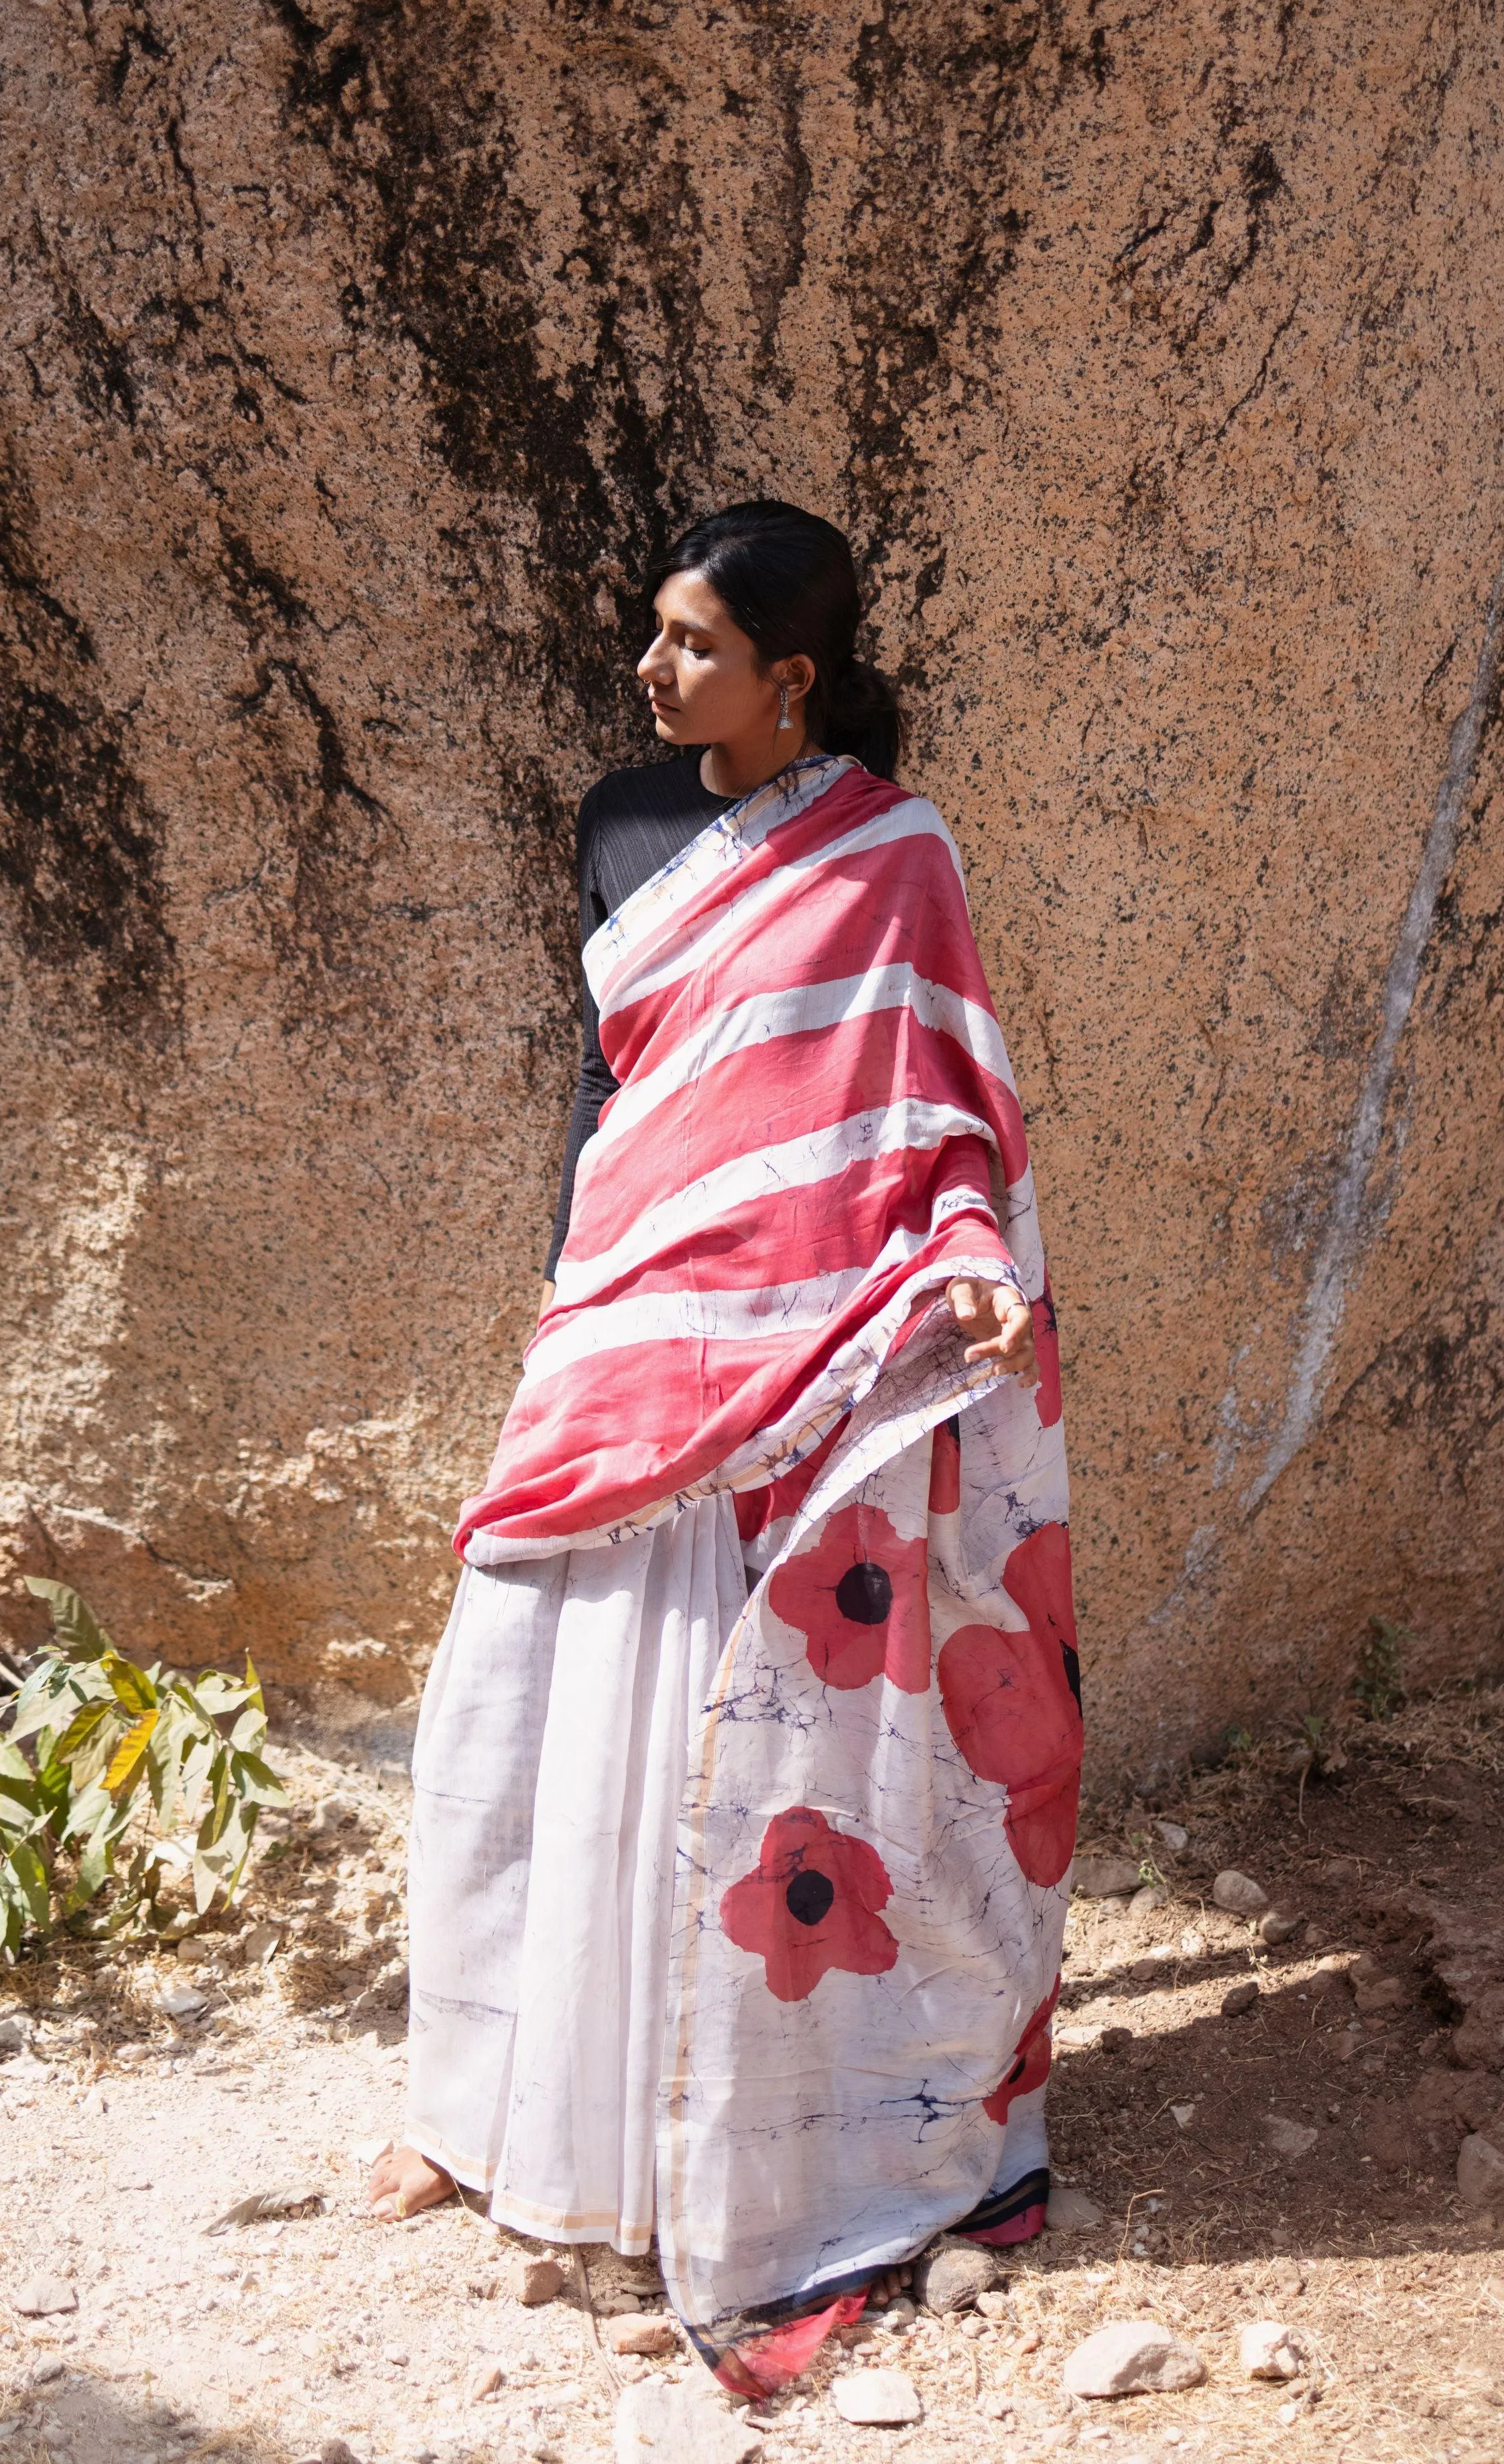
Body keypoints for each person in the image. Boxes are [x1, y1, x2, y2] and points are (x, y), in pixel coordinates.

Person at [370, 502, 1077, 2397]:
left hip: (804, 1349)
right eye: (654, 636)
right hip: (627, 1321)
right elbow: (616, 1088)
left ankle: (756, 2156)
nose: (651, 671)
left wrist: (970, 1273)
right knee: (532, 1719)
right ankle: (508, 2121)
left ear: (795, 679)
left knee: (736, 1737)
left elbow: (929, 1106)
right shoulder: (620, 823)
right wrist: (568, 1298)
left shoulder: (895, 855)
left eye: (692, 646)